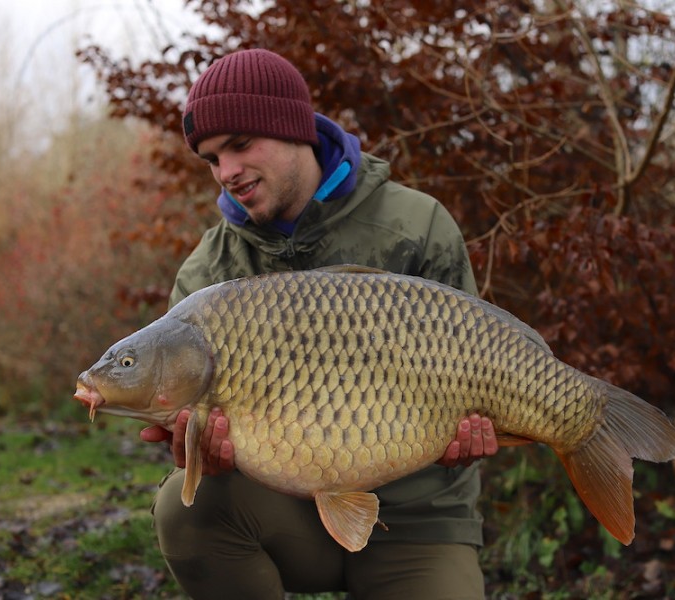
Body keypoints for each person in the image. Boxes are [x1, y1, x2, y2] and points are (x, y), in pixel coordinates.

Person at [139, 48, 498, 600]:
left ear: (292, 130)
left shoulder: (417, 224)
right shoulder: (208, 275)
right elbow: (192, 434)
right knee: (184, 510)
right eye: (211, 158)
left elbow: (483, 364)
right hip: (284, 514)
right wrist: (198, 453)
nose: (227, 172)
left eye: (239, 145)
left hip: (420, 519)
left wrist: (476, 425)